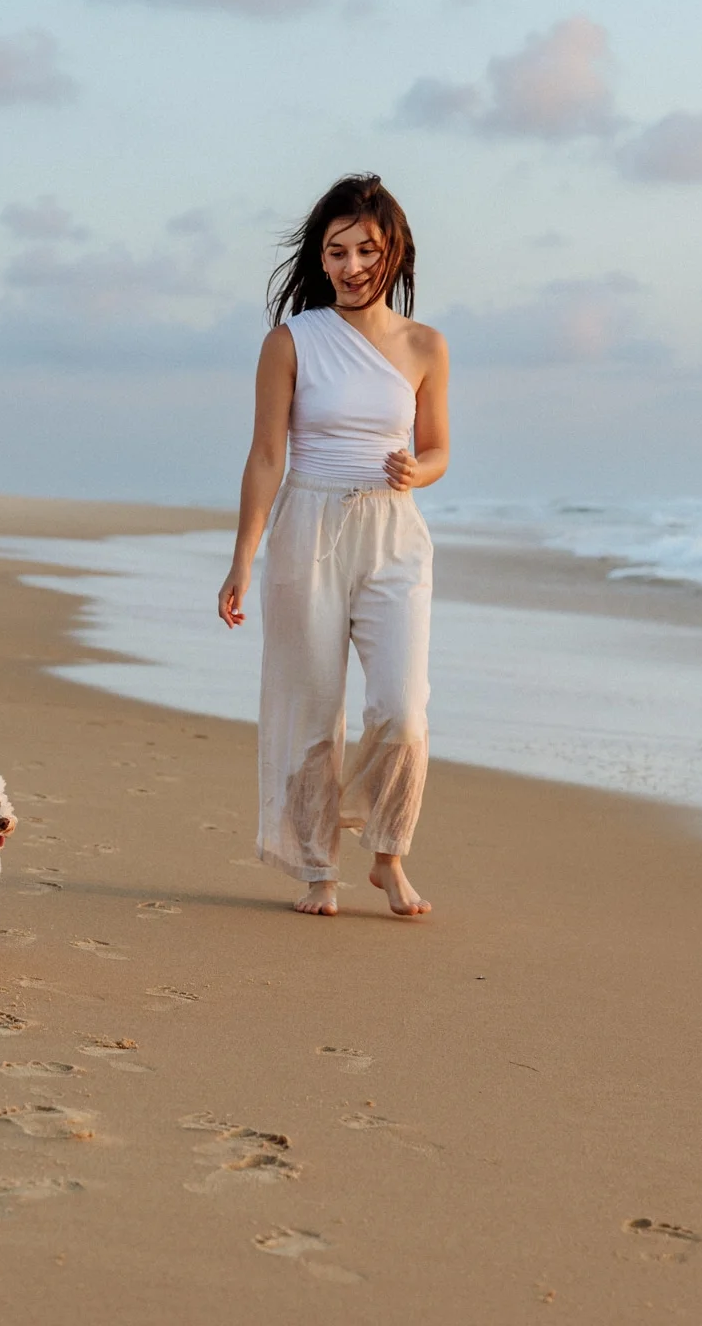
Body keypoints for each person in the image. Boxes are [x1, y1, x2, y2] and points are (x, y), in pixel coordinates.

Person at [217, 174, 449, 918]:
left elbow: (439, 448)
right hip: (306, 531)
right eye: (336, 251)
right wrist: (241, 560)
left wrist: (419, 468)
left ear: (394, 253)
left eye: (366, 250)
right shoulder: (291, 342)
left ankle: (387, 854)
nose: (351, 266)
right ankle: (319, 868)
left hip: (394, 532)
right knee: (311, 709)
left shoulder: (424, 345)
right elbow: (264, 457)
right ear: (320, 260)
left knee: (402, 709)